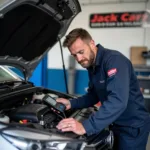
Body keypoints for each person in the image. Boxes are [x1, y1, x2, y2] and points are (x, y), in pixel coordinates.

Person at [56, 28, 150, 149]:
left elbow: (118, 101)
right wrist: (71, 103)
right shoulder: (92, 65)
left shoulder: (114, 60)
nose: (79, 59)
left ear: (92, 43)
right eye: (74, 55)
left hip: (131, 127)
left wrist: (85, 127)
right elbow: (93, 95)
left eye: (81, 52)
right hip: (115, 123)